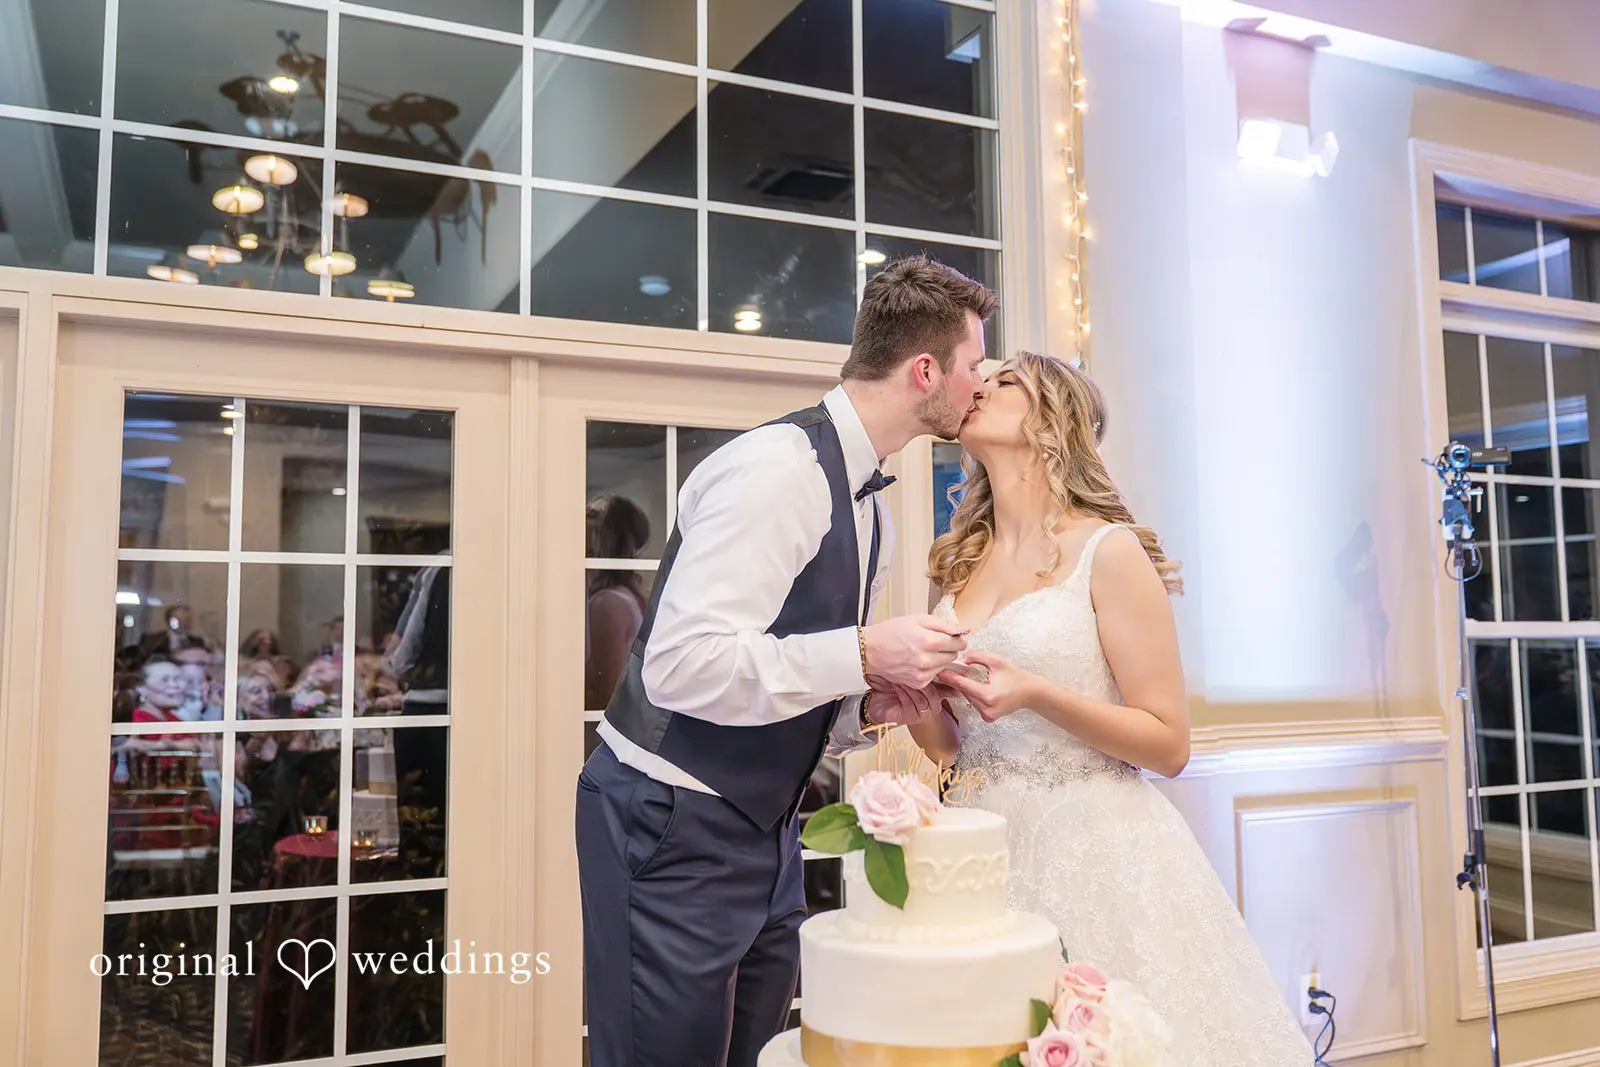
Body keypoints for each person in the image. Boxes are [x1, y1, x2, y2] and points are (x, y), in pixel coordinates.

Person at [576, 255, 992, 1067]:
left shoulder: (876, 512)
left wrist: (866, 707)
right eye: (974, 364)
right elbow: (681, 666)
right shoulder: (778, 470)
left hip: (768, 831)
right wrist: (864, 651)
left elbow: (782, 673)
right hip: (670, 822)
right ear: (924, 370)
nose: (980, 382)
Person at [913, 352, 1316, 1066]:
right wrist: (911, 700)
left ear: (1052, 419)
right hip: (981, 848)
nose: (979, 386)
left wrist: (1037, 693)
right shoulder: (957, 562)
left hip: (1094, 846)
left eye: (1004, 381)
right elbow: (951, 747)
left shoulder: (1108, 550)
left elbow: (1168, 742)